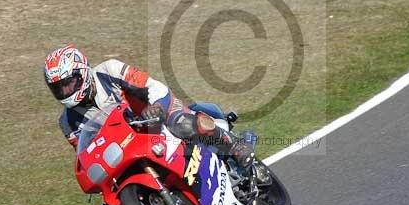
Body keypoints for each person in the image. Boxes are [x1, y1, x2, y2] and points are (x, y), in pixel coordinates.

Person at [43, 44, 255, 167]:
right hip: (130, 144)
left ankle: (235, 146)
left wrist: (155, 107)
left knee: (182, 124)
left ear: (83, 72)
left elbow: (152, 86)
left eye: (68, 83)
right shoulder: (67, 122)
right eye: (58, 88)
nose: (65, 92)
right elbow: (86, 155)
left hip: (155, 115)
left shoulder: (109, 70)